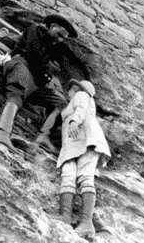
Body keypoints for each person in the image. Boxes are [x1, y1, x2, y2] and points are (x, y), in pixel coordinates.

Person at [0, 14, 78, 151]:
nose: (59, 39)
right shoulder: (35, 30)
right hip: (22, 64)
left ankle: (43, 136)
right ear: (53, 26)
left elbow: (47, 67)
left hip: (35, 80)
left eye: (63, 38)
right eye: (59, 34)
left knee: (62, 103)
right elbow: (33, 55)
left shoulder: (52, 47)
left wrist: (46, 76)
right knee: (18, 90)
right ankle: (3, 132)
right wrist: (47, 76)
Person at [55, 79, 110, 240]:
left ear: (74, 89)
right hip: (72, 145)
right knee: (68, 176)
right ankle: (65, 216)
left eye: (69, 91)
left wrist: (73, 121)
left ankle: (86, 223)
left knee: (85, 176)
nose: (68, 94)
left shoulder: (80, 94)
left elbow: (80, 109)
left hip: (86, 139)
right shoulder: (73, 102)